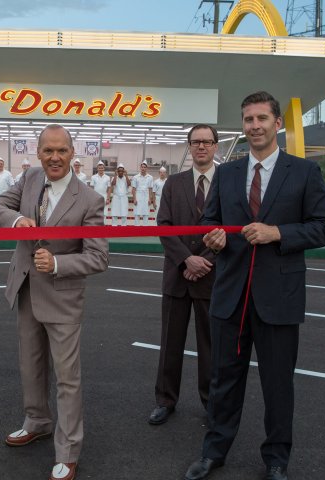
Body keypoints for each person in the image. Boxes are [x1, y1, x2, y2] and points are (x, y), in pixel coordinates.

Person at [183, 92, 325, 480]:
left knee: (278, 384)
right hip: (231, 296)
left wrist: (277, 232)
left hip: (278, 298)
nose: (254, 126)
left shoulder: (303, 173)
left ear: (277, 123)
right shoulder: (229, 173)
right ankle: (213, 451)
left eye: (261, 119)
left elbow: (324, 227)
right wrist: (212, 237)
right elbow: (208, 223)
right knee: (223, 381)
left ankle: (277, 460)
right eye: (248, 119)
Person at [0, 124, 108, 480]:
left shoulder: (90, 199)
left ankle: (68, 451)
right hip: (25, 291)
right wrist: (17, 219)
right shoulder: (30, 180)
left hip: (63, 300)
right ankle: (36, 420)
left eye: (62, 151)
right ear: (38, 153)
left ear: (73, 154)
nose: (55, 157)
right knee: (31, 367)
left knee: (68, 379)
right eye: (48, 150)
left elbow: (99, 257)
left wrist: (58, 264)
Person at [149, 125, 218, 427]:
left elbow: (233, 228)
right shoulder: (173, 184)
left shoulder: (228, 183)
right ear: (189, 147)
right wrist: (186, 260)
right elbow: (164, 226)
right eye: (195, 142)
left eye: (207, 142)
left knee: (211, 346)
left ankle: (212, 402)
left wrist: (204, 261)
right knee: (170, 343)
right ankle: (165, 400)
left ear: (215, 146)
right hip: (177, 276)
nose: (201, 147)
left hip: (212, 277)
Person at [131, 161, 153, 225]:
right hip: (138, 196)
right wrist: (134, 199)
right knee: (137, 213)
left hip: (146, 196)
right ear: (140, 168)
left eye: (144, 167)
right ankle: (136, 230)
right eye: (142, 167)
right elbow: (133, 189)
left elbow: (150, 189)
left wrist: (150, 199)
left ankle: (145, 230)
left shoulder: (150, 177)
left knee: (146, 214)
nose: (143, 168)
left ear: (146, 168)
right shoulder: (135, 177)